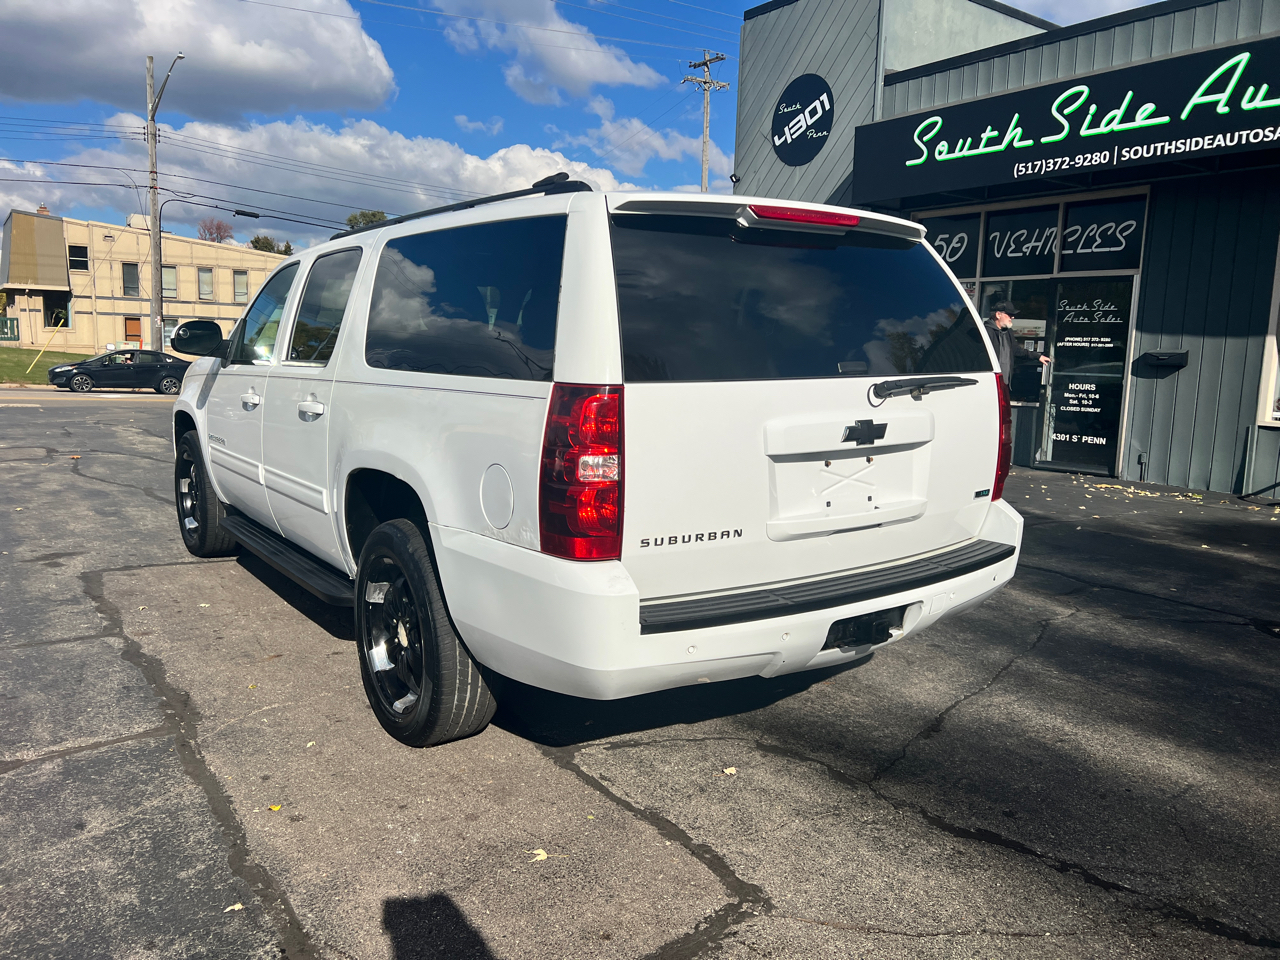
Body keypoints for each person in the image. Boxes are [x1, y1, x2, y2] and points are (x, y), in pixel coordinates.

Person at [984, 300, 1051, 381]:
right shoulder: (986, 332)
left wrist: (1037, 356)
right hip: (990, 380)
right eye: (1009, 314)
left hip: (1005, 381)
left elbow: (1017, 350)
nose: (1012, 317)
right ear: (998, 315)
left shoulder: (1008, 331)